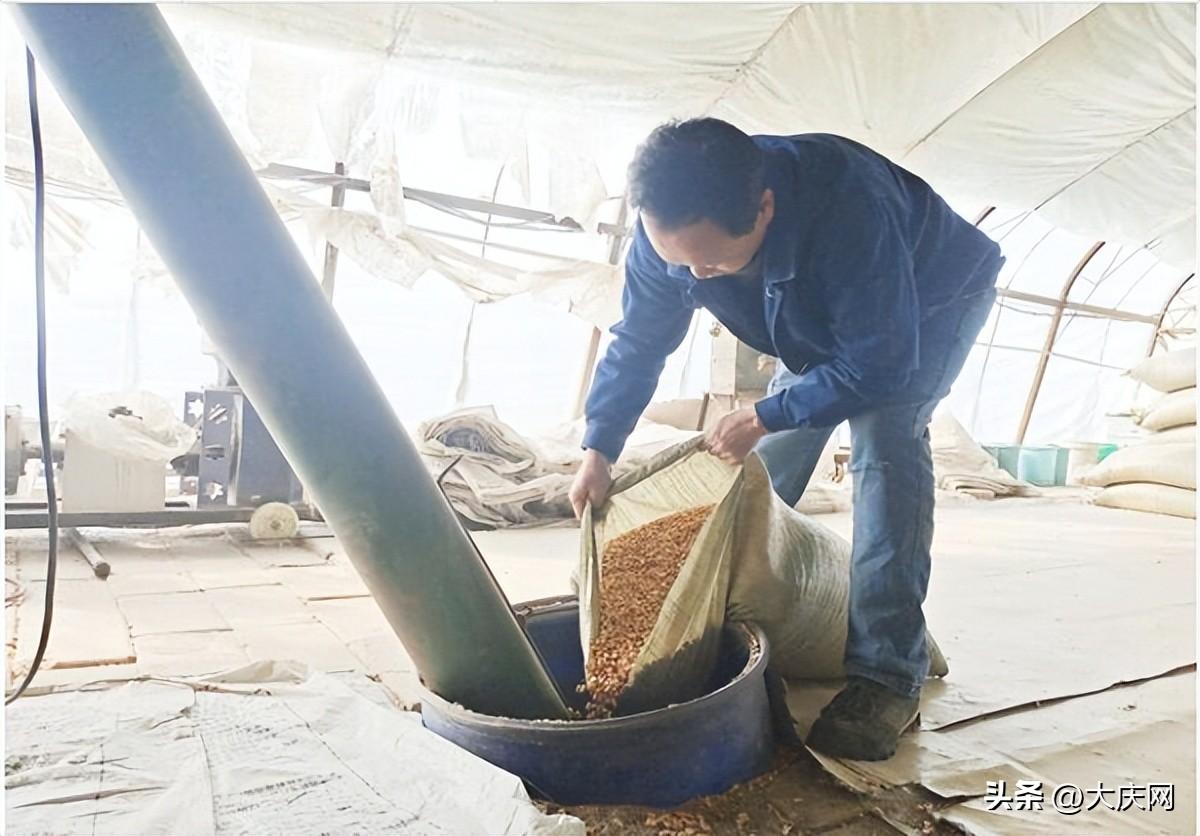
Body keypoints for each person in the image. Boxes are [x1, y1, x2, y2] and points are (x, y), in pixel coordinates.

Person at [568, 118, 1003, 761]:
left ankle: (887, 676)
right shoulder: (675, 230)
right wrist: (598, 446)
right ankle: (723, 605)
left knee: (886, 451)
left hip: (926, 306)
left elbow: (881, 361)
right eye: (680, 262)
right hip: (816, 316)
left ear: (764, 207)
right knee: (762, 464)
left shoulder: (850, 206)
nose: (699, 277)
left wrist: (767, 413)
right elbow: (639, 341)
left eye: (711, 260)